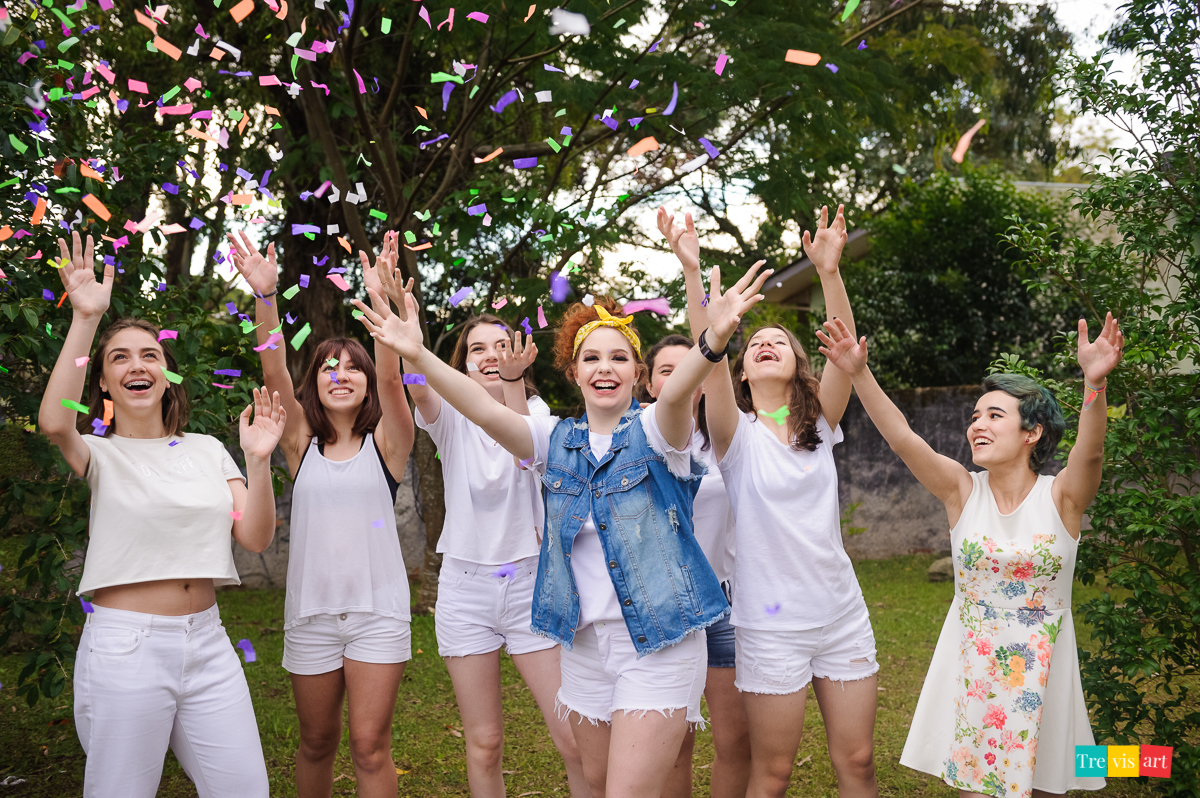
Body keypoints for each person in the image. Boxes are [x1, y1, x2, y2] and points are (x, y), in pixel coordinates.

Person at [354, 256, 772, 798]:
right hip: (583, 650)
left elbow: (676, 392)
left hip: (659, 643)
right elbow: (482, 411)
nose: (605, 367)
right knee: (594, 783)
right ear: (572, 371)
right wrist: (417, 353)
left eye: (620, 357)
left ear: (636, 374)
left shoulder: (657, 430)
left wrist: (713, 339)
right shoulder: (555, 441)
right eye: (591, 357)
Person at [816, 314, 1120, 798]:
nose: (977, 424)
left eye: (994, 415)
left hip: (1043, 666)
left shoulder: (1062, 496)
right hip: (975, 666)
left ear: (1032, 432)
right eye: (975, 416)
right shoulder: (961, 489)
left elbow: (1091, 453)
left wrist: (1094, 384)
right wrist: (859, 374)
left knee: (1042, 786)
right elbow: (902, 438)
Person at [39, 233, 285, 797]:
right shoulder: (98, 452)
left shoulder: (205, 448)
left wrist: (258, 460)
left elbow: (254, 536)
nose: (136, 365)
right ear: (102, 381)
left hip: (209, 643)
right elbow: (54, 421)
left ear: (166, 374)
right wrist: (86, 316)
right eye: (118, 358)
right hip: (126, 647)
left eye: (149, 354)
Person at [679, 205, 880, 798]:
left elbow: (845, 349)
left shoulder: (823, 428)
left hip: (842, 614)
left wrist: (830, 271)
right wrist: (696, 283)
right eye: (755, 342)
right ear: (740, 371)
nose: (765, 343)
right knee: (774, 772)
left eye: (778, 341)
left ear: (799, 366)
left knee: (861, 762)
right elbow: (704, 356)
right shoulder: (734, 437)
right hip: (770, 626)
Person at [228, 230, 415, 798]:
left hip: (377, 616)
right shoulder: (298, 446)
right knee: (315, 743)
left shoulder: (390, 443)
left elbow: (390, 375)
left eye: (350, 366)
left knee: (369, 746)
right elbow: (274, 373)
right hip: (309, 616)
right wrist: (266, 297)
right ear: (315, 383)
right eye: (328, 366)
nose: (340, 374)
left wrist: (383, 304)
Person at [407, 313, 590, 797]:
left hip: (532, 585)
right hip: (465, 590)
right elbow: (417, 388)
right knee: (484, 743)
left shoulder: (535, 408)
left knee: (572, 737)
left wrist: (512, 385)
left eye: (499, 345)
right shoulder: (448, 413)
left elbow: (525, 454)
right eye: (477, 349)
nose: (489, 355)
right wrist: (408, 342)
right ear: (462, 366)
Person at [641, 334, 749, 798]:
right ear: (649, 384)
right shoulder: (633, 440)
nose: (678, 377)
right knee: (673, 745)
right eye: (666, 370)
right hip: (661, 606)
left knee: (735, 741)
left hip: (722, 603)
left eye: (688, 367)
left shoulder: (730, 433)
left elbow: (784, 423)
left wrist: (791, 412)